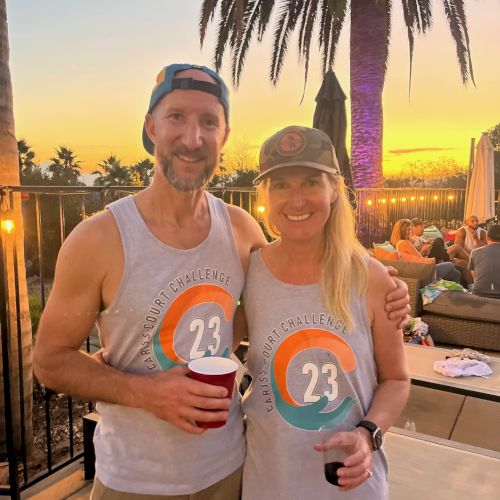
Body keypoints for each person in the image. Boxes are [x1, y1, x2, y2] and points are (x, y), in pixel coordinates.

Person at [33, 65, 410, 499]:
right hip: (134, 479)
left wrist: (384, 284)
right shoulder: (97, 240)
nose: (193, 138)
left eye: (208, 121)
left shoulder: (240, 231)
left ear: (224, 136)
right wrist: (140, 390)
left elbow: (289, 284)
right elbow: (49, 361)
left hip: (232, 472)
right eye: (177, 117)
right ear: (150, 126)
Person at [238, 126, 411, 500]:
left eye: (311, 182)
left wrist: (368, 434)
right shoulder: (249, 273)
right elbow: (210, 343)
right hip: (268, 481)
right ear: (264, 196)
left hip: (351, 487)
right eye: (281, 185)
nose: (296, 200)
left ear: (334, 189)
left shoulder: (371, 277)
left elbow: (396, 380)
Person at [390, 219, 461, 283]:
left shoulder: (399, 243)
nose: (410, 232)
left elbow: (414, 260)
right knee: (450, 265)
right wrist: (424, 250)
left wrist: (426, 252)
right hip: (422, 273)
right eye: (407, 230)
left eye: (410, 229)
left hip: (418, 271)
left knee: (456, 273)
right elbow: (422, 261)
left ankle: (451, 295)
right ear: (402, 231)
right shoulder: (406, 243)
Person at [468, 224, 500, 299]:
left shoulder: (474, 252)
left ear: (487, 237)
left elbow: (474, 276)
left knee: (470, 285)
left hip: (479, 294)